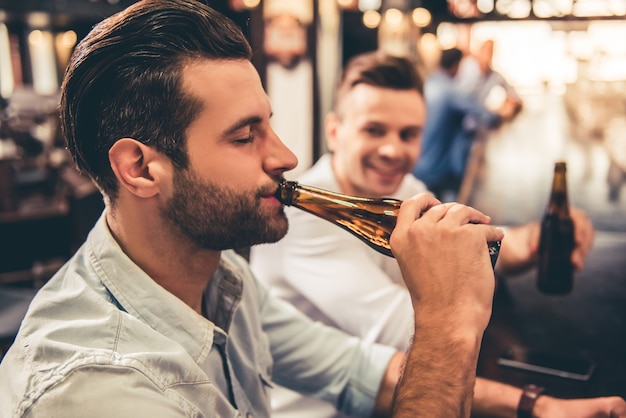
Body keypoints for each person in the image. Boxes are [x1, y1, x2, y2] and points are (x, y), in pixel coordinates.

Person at [0, 1, 506, 417]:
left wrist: (540, 406)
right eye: (245, 136)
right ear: (140, 168)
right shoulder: (97, 389)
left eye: (268, 125)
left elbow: (355, 370)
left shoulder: (222, 277)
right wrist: (447, 323)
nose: (286, 158)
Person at [250, 51, 626, 418]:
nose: (392, 149)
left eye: (409, 134)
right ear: (335, 131)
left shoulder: (404, 187)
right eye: (374, 130)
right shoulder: (303, 217)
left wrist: (527, 240)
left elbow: (455, 242)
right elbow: (402, 329)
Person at [412, 47, 517, 201]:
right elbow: (486, 116)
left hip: (417, 162)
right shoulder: (452, 91)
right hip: (438, 167)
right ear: (456, 65)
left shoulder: (428, 83)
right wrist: (503, 113)